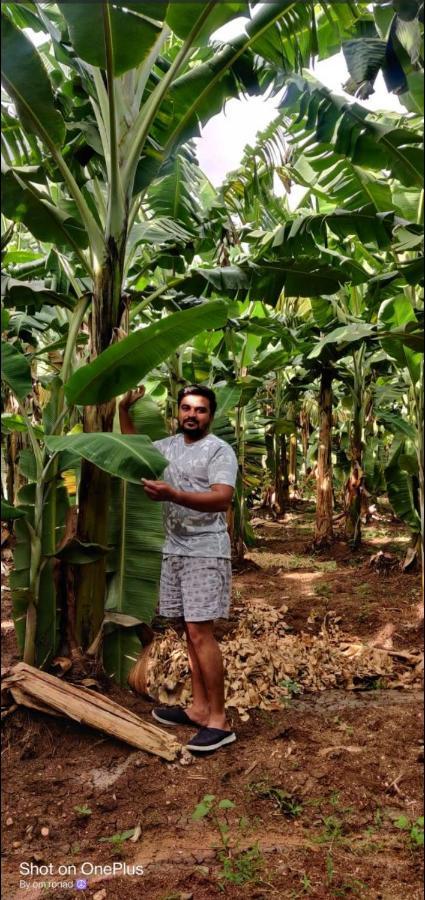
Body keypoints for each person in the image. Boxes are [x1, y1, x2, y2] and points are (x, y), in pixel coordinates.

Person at [119, 384, 238, 753]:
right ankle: (199, 709)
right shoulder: (169, 446)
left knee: (202, 635)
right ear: (179, 411)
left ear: (210, 415)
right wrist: (124, 409)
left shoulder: (219, 450)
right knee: (189, 633)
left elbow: (222, 499)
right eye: (186, 408)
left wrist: (173, 495)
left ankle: (219, 720)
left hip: (206, 552)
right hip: (175, 552)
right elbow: (135, 449)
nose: (191, 415)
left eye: (200, 410)